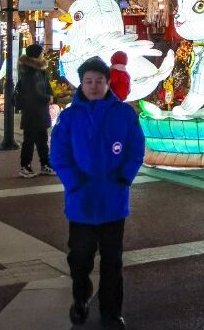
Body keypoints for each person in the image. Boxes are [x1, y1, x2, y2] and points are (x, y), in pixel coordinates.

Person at [50, 57, 145, 328]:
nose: (93, 86)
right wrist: (74, 183)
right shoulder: (69, 117)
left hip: (113, 202)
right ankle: (81, 297)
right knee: (79, 258)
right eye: (88, 81)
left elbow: (135, 149)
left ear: (107, 83)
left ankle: (111, 312)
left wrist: (124, 177)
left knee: (112, 261)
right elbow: (59, 154)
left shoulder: (124, 114)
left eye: (99, 81)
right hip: (81, 202)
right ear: (81, 83)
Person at [17, 44, 54, 177]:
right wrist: (48, 98)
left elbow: (46, 87)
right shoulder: (31, 72)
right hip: (32, 112)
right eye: (41, 53)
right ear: (36, 55)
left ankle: (45, 164)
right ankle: (25, 166)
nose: (43, 55)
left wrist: (50, 95)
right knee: (30, 140)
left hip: (39, 111)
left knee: (42, 139)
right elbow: (34, 93)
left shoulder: (38, 71)